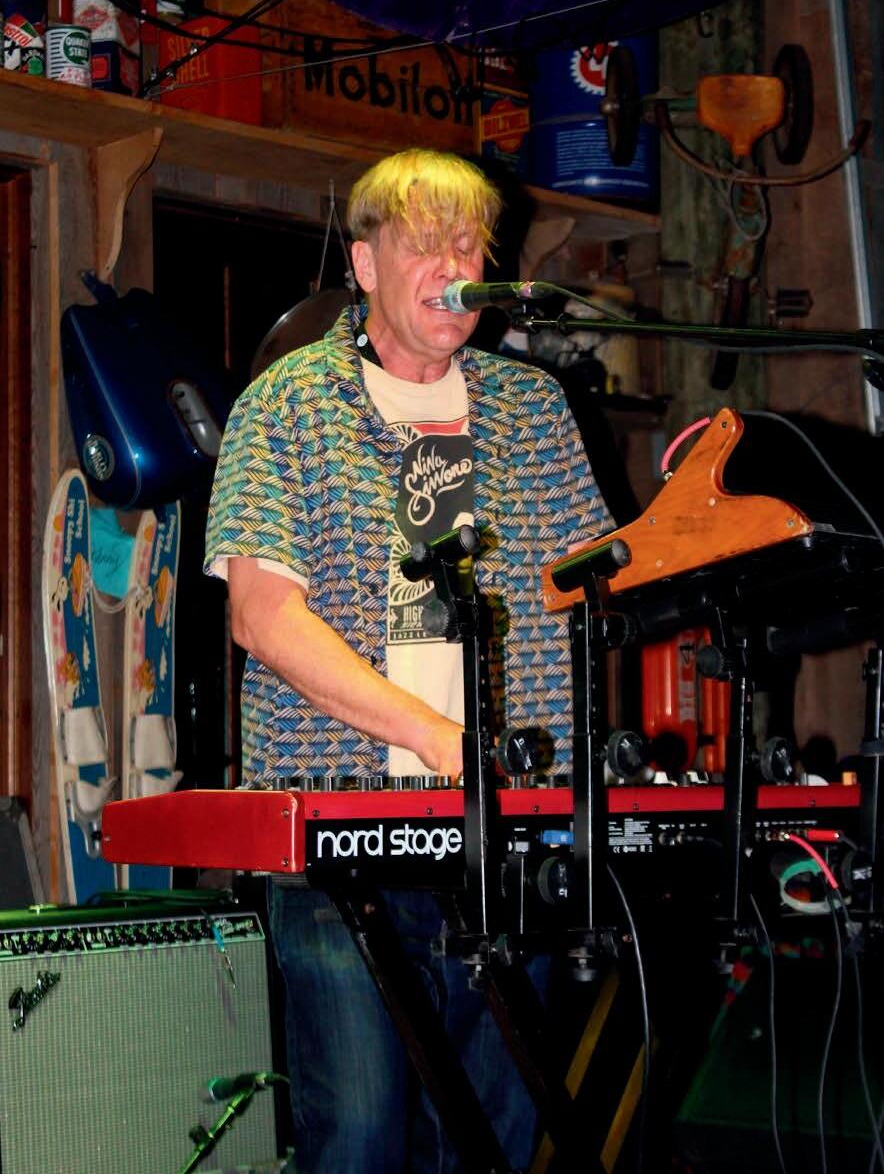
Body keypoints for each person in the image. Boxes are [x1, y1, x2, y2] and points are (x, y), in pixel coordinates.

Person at [204, 147, 611, 1172]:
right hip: (346, 830)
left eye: (469, 245)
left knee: (496, 1136)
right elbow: (263, 616)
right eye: (425, 242)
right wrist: (435, 736)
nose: (454, 265)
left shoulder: (531, 409)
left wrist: (698, 536)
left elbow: (595, 584)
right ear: (365, 263)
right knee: (361, 1135)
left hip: (506, 831)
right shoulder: (288, 404)